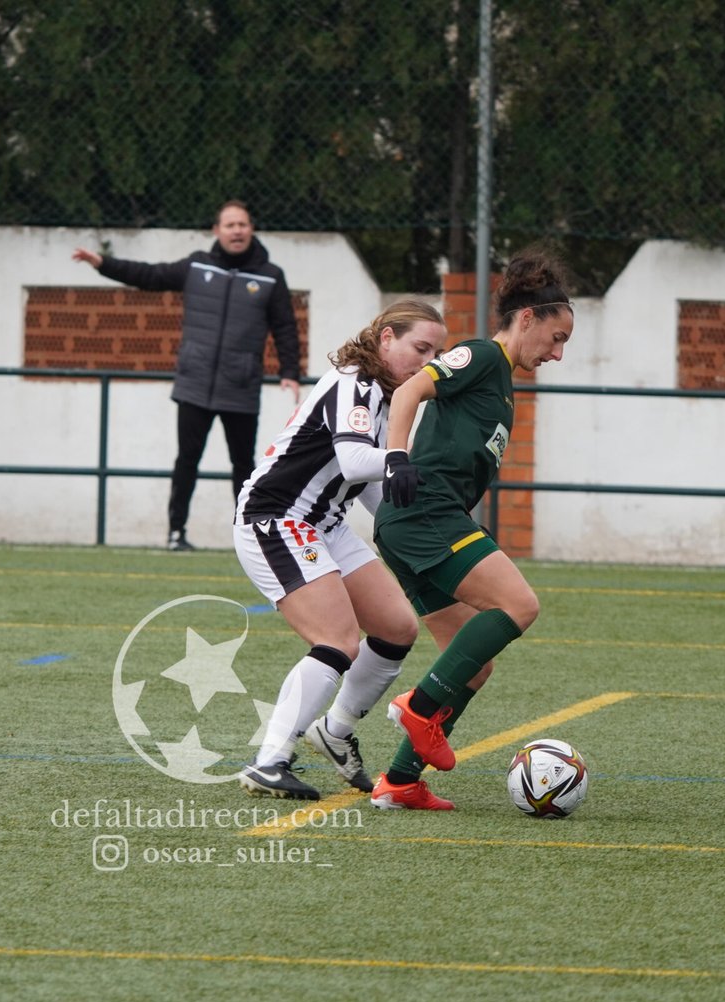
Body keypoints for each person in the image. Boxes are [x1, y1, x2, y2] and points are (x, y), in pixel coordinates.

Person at [369, 249, 574, 811]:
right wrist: (397, 459)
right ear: (527, 318)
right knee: (520, 605)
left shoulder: (503, 384)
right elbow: (410, 391)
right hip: (423, 512)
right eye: (556, 338)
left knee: (474, 666)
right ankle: (420, 706)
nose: (556, 354)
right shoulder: (482, 355)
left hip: (415, 524)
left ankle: (401, 781)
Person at [231, 300, 449, 800]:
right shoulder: (354, 379)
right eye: (420, 347)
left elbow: (372, 485)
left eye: (436, 352)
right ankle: (269, 761)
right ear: (386, 338)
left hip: (322, 524)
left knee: (397, 628)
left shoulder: (387, 395)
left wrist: (408, 531)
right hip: (276, 518)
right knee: (337, 641)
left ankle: (334, 730)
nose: (427, 361)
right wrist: (402, 459)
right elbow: (355, 461)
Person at [73, 201, 302, 551]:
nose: (237, 230)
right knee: (187, 460)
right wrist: (102, 264)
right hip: (194, 384)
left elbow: (285, 326)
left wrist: (290, 371)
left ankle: (248, 536)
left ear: (251, 229)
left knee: (243, 465)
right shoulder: (196, 265)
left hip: (240, 386)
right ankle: (175, 533)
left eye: (242, 224)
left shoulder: (270, 275)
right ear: (217, 230)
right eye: (230, 224)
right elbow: (148, 275)